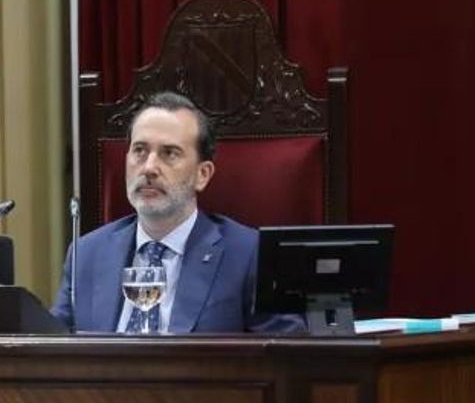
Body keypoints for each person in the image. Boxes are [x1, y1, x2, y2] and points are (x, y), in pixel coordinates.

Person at [51, 91, 302, 333]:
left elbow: (286, 351)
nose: (149, 168)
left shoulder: (249, 255)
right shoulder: (86, 254)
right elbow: (52, 345)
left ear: (202, 175)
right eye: (140, 151)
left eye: (169, 153)